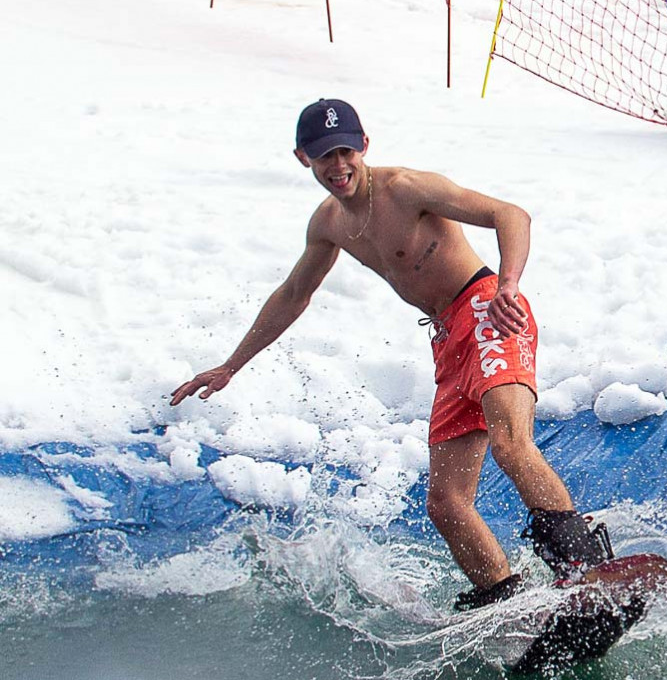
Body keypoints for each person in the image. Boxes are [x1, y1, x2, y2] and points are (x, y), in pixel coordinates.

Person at [171, 98, 612, 610]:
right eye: (323, 158)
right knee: (445, 505)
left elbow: (509, 214)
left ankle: (589, 573)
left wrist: (509, 285)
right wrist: (231, 365)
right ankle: (504, 605)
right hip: (448, 341)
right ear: (302, 159)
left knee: (510, 443)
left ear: (363, 146)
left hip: (489, 312)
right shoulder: (328, 224)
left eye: (344, 152)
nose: (337, 168)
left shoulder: (407, 189)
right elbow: (295, 293)